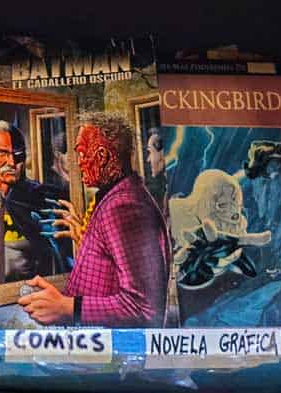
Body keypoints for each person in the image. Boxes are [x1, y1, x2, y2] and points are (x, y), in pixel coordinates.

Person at [18, 113, 170, 327]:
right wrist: (88, 246)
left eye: (81, 154)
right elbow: (111, 275)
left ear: (101, 157)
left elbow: (144, 307)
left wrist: (66, 307)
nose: (78, 164)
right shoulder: (113, 198)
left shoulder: (124, 207)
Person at [0, 121, 70, 289]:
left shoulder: (43, 197)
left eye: (18, 154)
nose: (12, 162)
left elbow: (60, 259)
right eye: (1, 153)